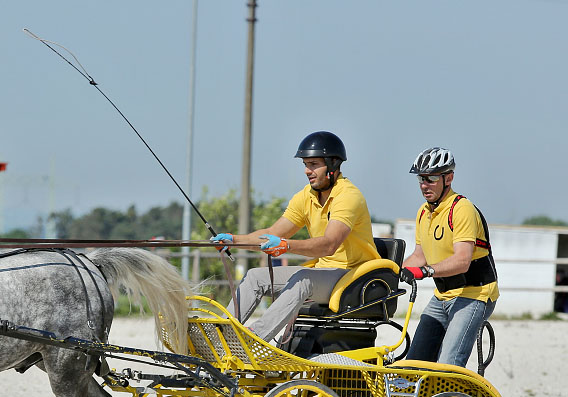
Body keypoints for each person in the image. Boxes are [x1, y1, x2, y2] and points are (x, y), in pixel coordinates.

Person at [211, 131, 380, 342]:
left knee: (303, 279)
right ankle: (218, 334)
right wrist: (234, 241)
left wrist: (285, 246)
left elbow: (328, 245)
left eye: (314, 164)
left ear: (333, 165)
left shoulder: (348, 196)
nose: (307, 171)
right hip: (324, 273)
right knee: (255, 276)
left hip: (353, 277)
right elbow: (272, 234)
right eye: (305, 164)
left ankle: (254, 338)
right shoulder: (305, 196)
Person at [400, 146, 499, 368]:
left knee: (448, 363)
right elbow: (420, 255)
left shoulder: (461, 209)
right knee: (414, 362)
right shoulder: (424, 212)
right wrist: (390, 272)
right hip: (442, 295)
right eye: (421, 179)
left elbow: (462, 261)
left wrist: (426, 272)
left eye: (431, 178)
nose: (424, 185)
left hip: (474, 294)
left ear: (449, 178)